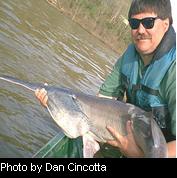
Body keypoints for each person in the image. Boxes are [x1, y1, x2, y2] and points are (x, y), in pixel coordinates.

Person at [35, 0, 176, 158]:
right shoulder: (129, 57)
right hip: (132, 133)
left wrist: (138, 155)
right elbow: (102, 100)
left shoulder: (174, 71)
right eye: (134, 23)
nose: (140, 30)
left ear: (165, 24)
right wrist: (56, 103)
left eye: (148, 22)